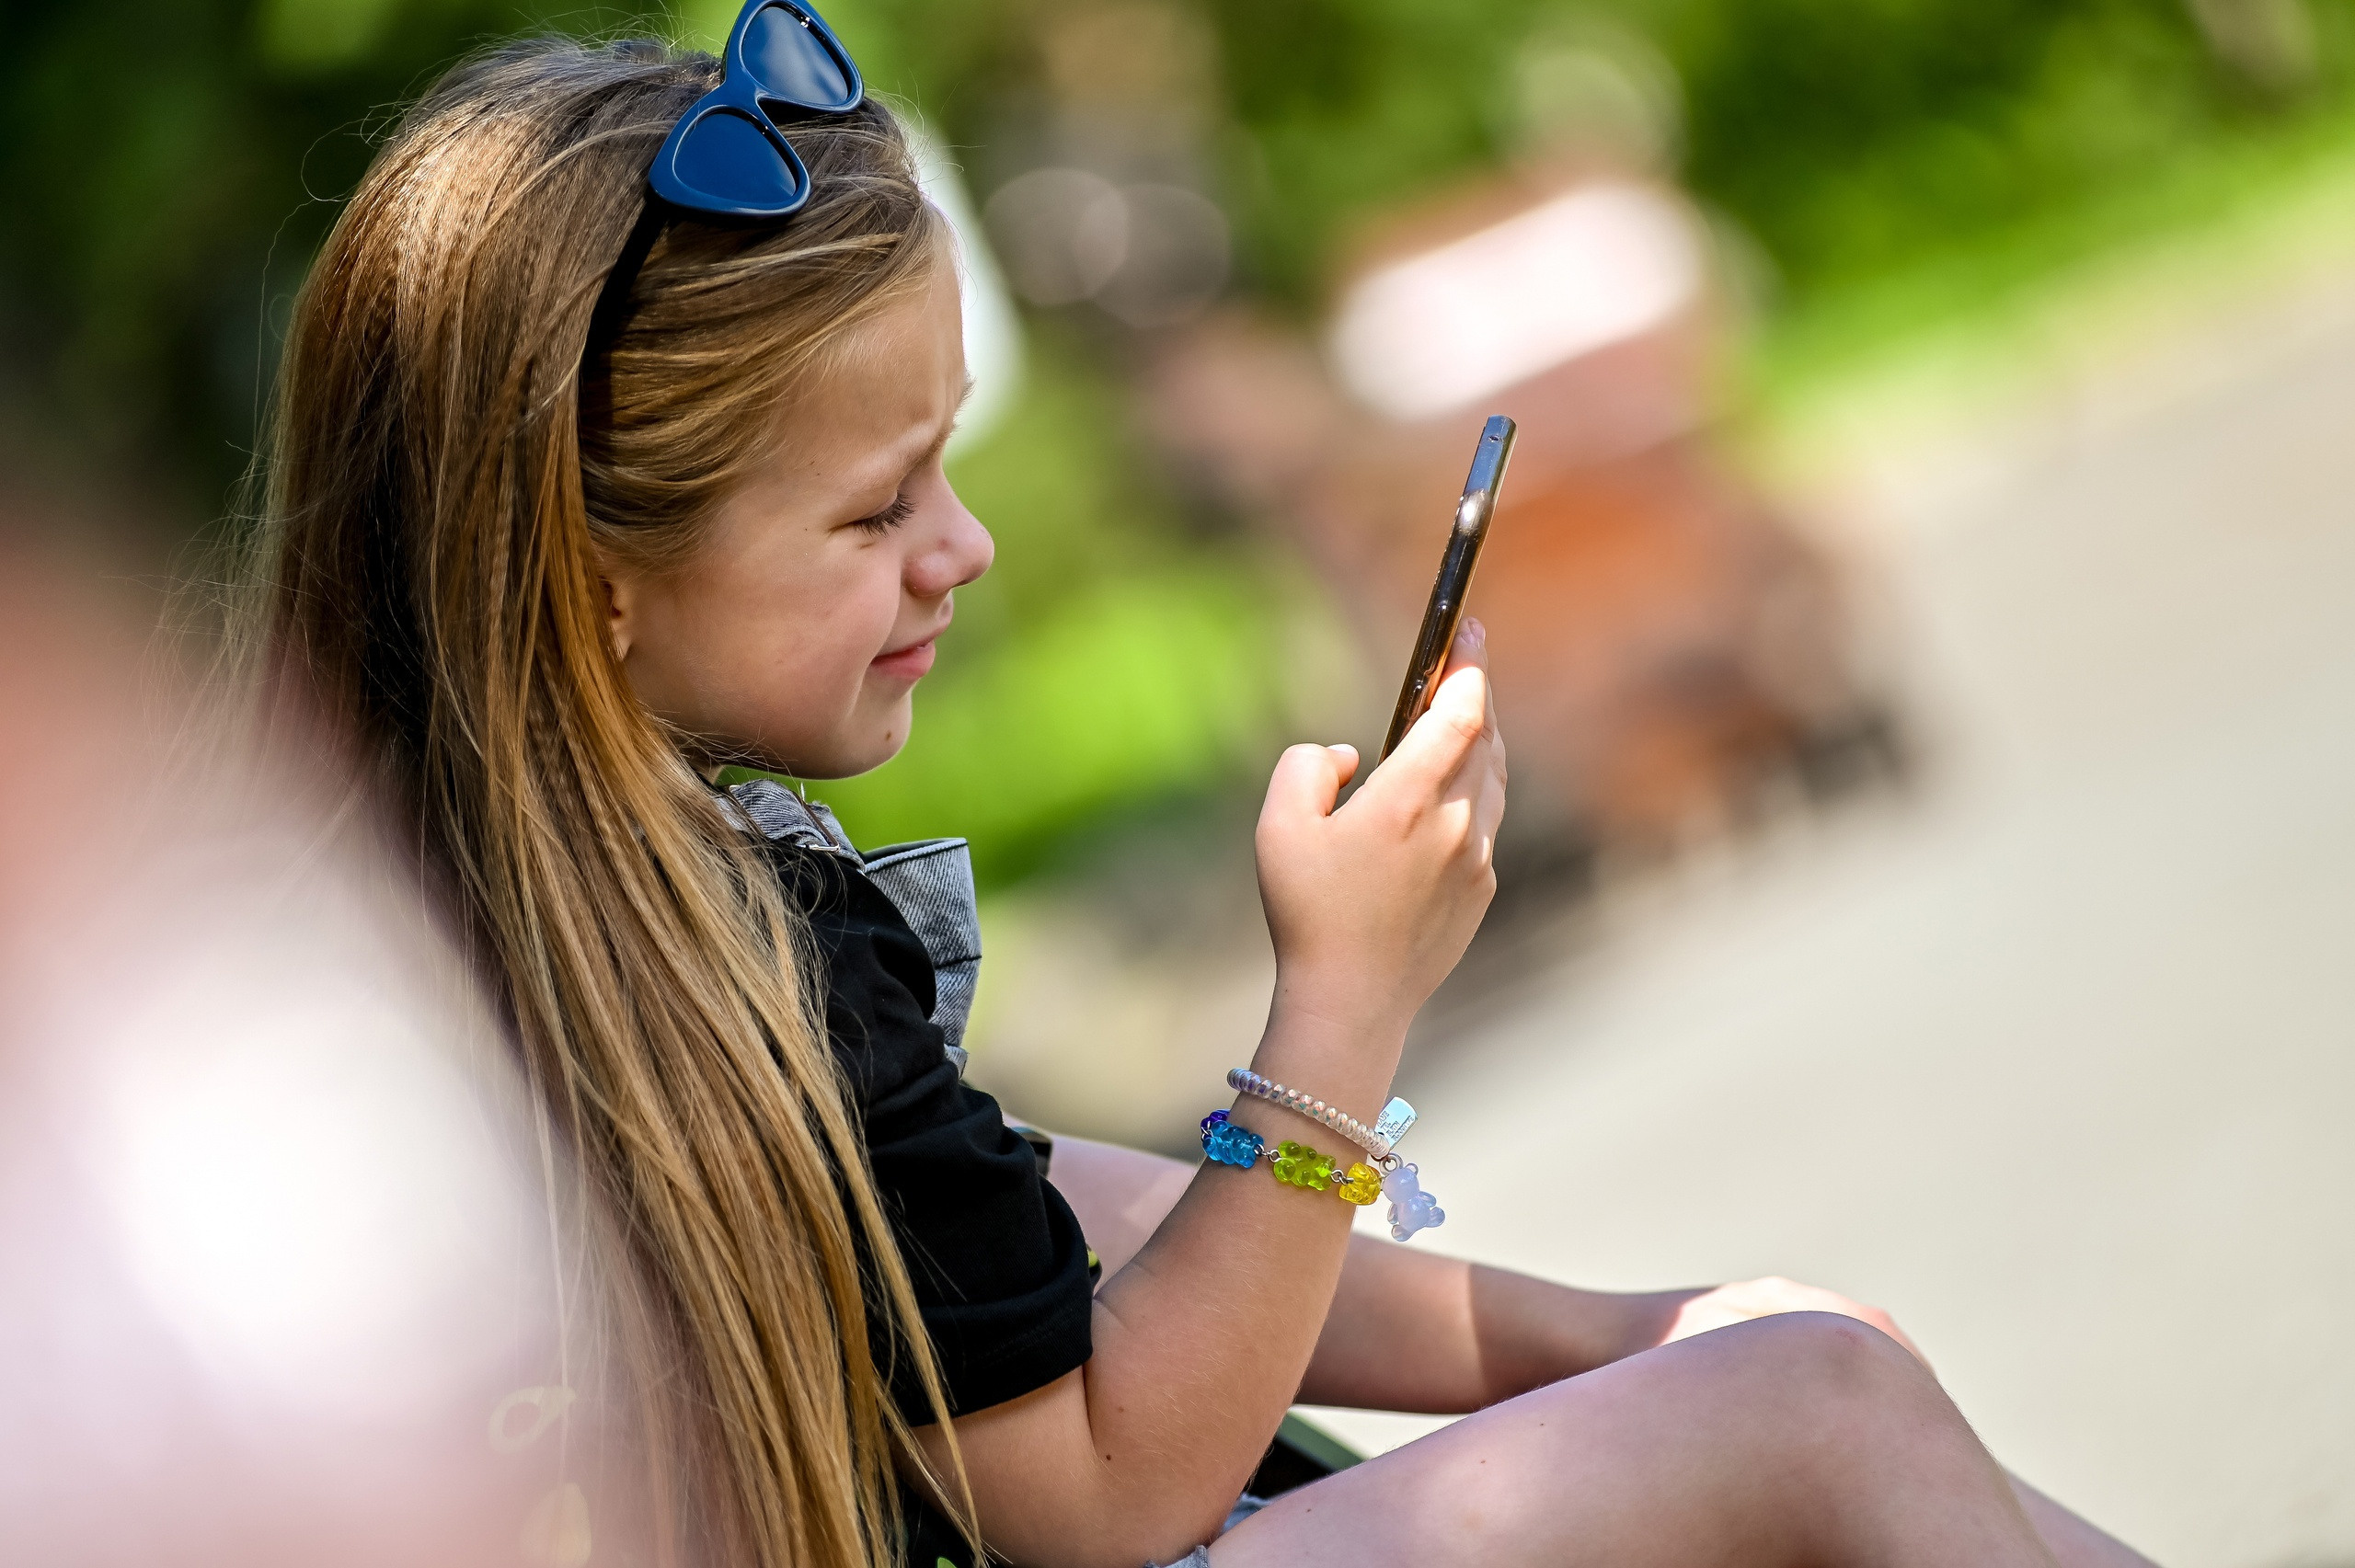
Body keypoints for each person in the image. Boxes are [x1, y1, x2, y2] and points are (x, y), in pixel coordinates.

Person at [234, 13, 2156, 1568]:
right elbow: (1100, 1487)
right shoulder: (725, 961)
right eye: (874, 505)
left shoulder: (542, 909)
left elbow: (1060, 1237)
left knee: (1794, 1367)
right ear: (595, 581)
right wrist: (1341, 1009)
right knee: (1807, 1411)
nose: (962, 547)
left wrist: (1628, 1324)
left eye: (946, 466)